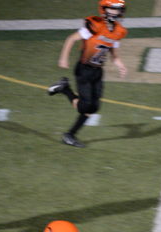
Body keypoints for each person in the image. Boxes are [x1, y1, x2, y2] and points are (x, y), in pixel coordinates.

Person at [47, 0, 128, 148]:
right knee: (85, 107)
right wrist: (63, 58)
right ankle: (65, 93)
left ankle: (70, 133)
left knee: (94, 107)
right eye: (113, 9)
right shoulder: (95, 25)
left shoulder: (119, 31)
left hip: (98, 71)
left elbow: (113, 53)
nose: (116, 12)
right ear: (104, 9)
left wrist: (120, 64)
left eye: (118, 9)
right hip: (84, 70)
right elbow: (71, 39)